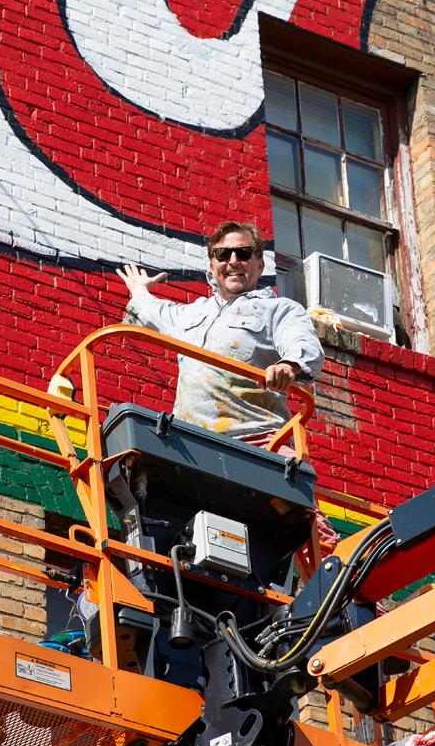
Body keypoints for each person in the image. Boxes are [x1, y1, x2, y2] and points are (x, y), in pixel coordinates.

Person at [117, 220, 338, 560]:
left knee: (302, 518)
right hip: (192, 444)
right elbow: (154, 314)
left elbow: (303, 343)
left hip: (258, 442)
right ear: (212, 265)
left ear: (259, 264)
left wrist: (289, 366)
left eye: (244, 253)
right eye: (223, 254)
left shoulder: (277, 310)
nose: (233, 261)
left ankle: (342, 582)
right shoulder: (193, 314)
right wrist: (139, 291)